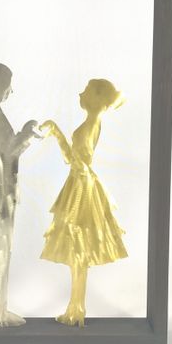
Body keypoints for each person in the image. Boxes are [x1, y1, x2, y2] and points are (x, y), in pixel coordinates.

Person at [40, 79, 127, 327]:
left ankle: (77, 309)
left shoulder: (93, 123)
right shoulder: (91, 121)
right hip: (79, 181)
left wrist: (77, 197)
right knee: (77, 254)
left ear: (97, 99)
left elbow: (80, 160)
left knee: (79, 250)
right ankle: (75, 308)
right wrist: (56, 132)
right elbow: (73, 158)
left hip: (82, 186)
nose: (81, 93)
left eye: (86, 91)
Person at [0, 61, 40, 328]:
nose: (11, 91)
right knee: (2, 249)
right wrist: (27, 133)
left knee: (4, 248)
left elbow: (6, 148)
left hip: (1, 186)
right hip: (0, 188)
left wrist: (23, 134)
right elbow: (9, 151)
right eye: (8, 85)